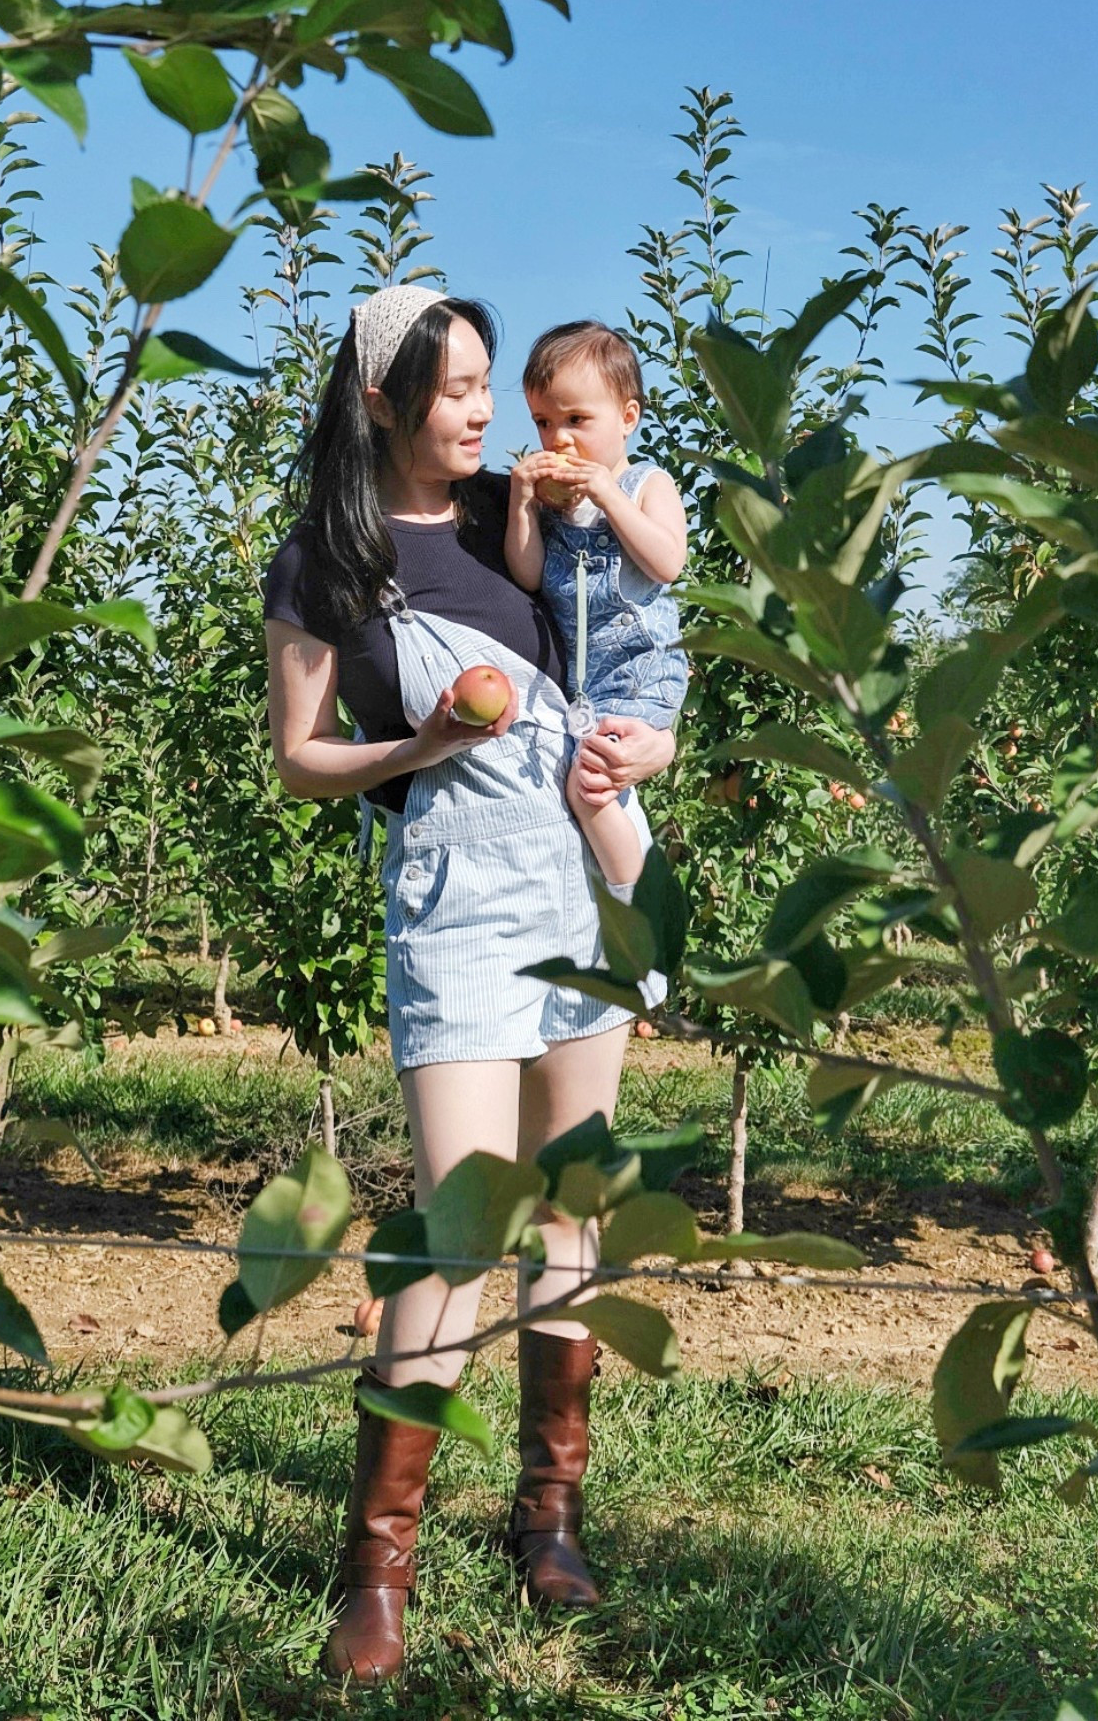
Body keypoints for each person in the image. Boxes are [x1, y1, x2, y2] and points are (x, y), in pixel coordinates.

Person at [263, 285, 676, 1686]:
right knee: (456, 1223)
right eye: (452, 390)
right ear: (380, 399)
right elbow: (299, 755)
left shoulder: (527, 506)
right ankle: (377, 1567)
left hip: (573, 873)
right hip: (452, 897)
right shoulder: (328, 560)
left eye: (486, 385)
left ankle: (547, 1515)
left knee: (570, 1203)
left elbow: (635, 638)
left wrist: (651, 749)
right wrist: (418, 745)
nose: (481, 412)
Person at [505, 321, 690, 890]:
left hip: (640, 675)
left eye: (577, 420)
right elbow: (528, 573)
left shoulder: (647, 485)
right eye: (543, 422)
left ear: (627, 418)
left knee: (587, 788)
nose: (558, 438)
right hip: (579, 689)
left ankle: (638, 899)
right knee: (579, 789)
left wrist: (609, 496)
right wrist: (522, 502)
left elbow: (667, 562)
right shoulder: (553, 504)